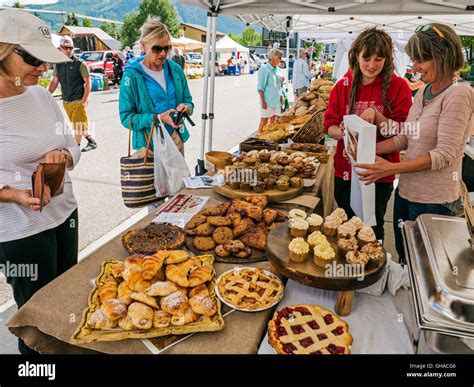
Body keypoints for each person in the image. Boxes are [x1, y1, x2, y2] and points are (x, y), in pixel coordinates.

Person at [356, 23, 473, 262]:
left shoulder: (459, 93)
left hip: (434, 201)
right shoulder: (424, 90)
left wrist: (390, 168)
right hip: (407, 192)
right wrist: (367, 150)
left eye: (421, 60)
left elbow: (444, 155)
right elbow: (405, 137)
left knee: (424, 265)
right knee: (405, 256)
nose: (415, 67)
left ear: (442, 55)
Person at [0, 9, 81, 354]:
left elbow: (74, 146)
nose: (44, 67)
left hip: (65, 215)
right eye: (33, 58)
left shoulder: (43, 96)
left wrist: (63, 158)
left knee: (67, 306)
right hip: (20, 232)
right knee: (37, 325)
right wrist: (13, 195)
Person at [324, 27, 412, 241]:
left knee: (371, 228)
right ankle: (349, 272)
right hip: (344, 171)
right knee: (344, 226)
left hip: (378, 172)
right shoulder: (342, 86)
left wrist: (378, 116)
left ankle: (372, 272)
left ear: (387, 59)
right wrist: (342, 133)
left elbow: (403, 132)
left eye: (378, 59)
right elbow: (329, 125)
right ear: (355, 55)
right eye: (366, 58)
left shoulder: (399, 86)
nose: (372, 65)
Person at [119, 16, 194, 156]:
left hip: (176, 140)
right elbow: (126, 118)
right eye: (157, 48)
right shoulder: (132, 75)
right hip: (149, 146)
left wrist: (187, 107)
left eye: (167, 48)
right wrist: (157, 118)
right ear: (143, 45)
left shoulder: (175, 70)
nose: (163, 53)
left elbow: (188, 99)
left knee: (179, 179)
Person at [48, 36, 97, 152]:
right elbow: (54, 81)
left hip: (78, 99)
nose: (69, 50)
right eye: (66, 48)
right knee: (77, 124)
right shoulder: (58, 64)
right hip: (66, 100)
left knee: (78, 125)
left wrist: (84, 100)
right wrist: (46, 94)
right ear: (60, 48)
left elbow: (88, 82)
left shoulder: (80, 63)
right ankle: (91, 141)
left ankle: (75, 148)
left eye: (71, 47)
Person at [257, 48, 284, 132]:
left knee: (273, 122)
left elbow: (278, 86)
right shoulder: (264, 69)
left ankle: (269, 141)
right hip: (267, 101)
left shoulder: (277, 69)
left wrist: (282, 81)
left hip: (276, 101)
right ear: (274, 57)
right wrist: (263, 102)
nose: (281, 60)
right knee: (264, 121)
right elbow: (260, 88)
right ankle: (258, 140)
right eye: (279, 58)